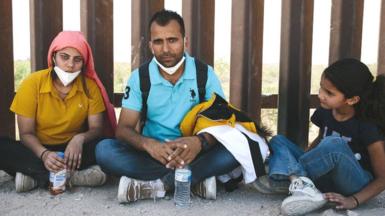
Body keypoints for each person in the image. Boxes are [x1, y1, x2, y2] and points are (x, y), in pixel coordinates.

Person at [95, 10, 241, 203]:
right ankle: (193, 180)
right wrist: (149, 145)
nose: (165, 49)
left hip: (195, 152)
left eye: (172, 40)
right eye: (158, 42)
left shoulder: (204, 74)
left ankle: (157, 185)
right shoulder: (140, 78)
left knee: (236, 148)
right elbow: (124, 129)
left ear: (185, 41)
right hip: (154, 154)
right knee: (104, 151)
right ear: (150, 45)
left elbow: (221, 123)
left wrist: (199, 143)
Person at [253, 58, 385, 215]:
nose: (321, 95)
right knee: (278, 140)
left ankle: (292, 179)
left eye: (329, 93)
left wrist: (354, 200)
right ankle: (301, 184)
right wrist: (305, 157)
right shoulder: (326, 110)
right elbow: (319, 141)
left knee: (333, 144)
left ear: (352, 99)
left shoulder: (366, 126)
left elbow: (382, 179)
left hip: (354, 183)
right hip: (326, 176)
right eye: (321, 88)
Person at [0, 31, 117, 192]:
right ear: (54, 57)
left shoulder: (90, 87)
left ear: (84, 63)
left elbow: (96, 129)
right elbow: (26, 133)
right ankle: (72, 177)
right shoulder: (32, 83)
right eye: (64, 57)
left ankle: (34, 177)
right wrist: (44, 154)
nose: (70, 64)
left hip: (73, 152)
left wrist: (79, 139)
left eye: (77, 59)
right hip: (38, 149)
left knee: (105, 146)